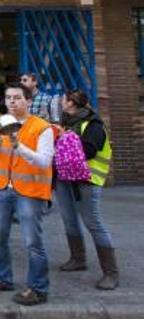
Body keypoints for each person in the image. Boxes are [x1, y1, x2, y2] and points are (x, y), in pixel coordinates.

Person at [0, 83, 54, 306]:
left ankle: (39, 288)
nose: (11, 101)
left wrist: (20, 147)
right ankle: (3, 279)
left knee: (33, 242)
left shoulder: (42, 127)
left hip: (29, 192)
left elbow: (44, 160)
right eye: (8, 97)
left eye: (17, 97)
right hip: (0, 188)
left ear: (28, 101)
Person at [54, 89, 118, 290]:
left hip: (87, 180)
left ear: (71, 103)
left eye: (63, 100)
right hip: (65, 179)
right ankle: (78, 258)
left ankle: (111, 273)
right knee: (69, 219)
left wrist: (67, 138)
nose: (61, 103)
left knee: (93, 222)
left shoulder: (94, 124)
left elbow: (90, 150)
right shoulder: (66, 122)